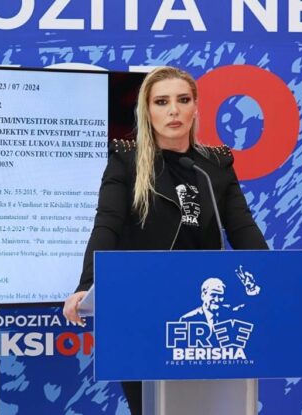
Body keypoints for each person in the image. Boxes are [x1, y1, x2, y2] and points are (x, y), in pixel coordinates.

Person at [63, 66, 268, 415]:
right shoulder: (126, 161)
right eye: (161, 102)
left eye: (183, 100)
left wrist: (273, 278)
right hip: (142, 309)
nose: (173, 110)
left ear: (195, 108)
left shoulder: (215, 166)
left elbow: (243, 229)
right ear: (147, 110)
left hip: (200, 318)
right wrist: (87, 285)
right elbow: (107, 226)